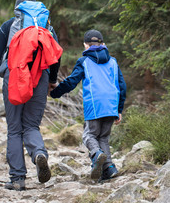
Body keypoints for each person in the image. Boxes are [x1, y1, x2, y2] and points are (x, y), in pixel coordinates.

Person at [0, 0, 60, 191]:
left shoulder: (9, 25)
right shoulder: (46, 26)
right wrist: (51, 80)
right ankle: (39, 154)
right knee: (32, 125)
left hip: (15, 75)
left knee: (15, 128)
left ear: (17, 10)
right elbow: (56, 56)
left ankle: (17, 179)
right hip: (40, 77)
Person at [50, 29, 127, 181]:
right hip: (111, 104)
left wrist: (55, 93)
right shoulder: (113, 61)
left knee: (89, 135)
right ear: (103, 44)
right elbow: (122, 85)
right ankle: (109, 169)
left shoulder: (84, 61)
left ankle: (97, 154)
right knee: (103, 137)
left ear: (86, 45)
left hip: (95, 103)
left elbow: (72, 81)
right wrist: (119, 109)